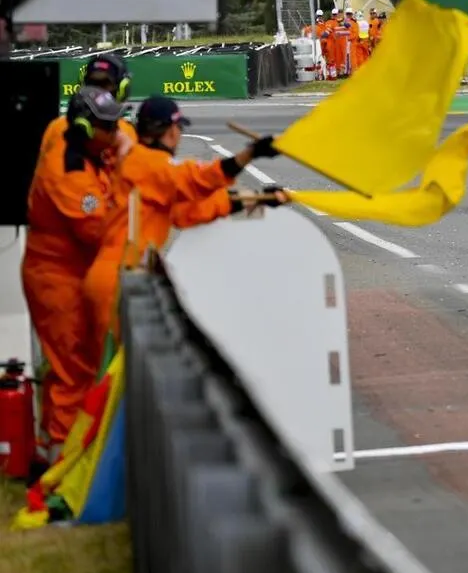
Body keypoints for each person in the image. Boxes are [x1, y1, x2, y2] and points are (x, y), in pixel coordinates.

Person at [82, 96, 287, 356]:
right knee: (120, 370)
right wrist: (249, 154)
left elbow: (189, 212)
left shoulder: (146, 169)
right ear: (170, 131)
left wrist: (258, 198)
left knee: (124, 368)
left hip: (120, 276)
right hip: (118, 280)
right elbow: (196, 180)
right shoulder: (147, 163)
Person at [21, 86, 131, 463]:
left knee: (74, 365)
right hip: (55, 278)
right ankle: (62, 463)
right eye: (109, 126)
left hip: (74, 272)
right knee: (73, 371)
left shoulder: (91, 150)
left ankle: (52, 450)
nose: (116, 132)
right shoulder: (67, 170)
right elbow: (99, 230)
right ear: (85, 128)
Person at [41, 53, 135, 152]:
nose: (97, 91)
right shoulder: (57, 128)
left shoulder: (57, 126)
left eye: (104, 84)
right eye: (93, 83)